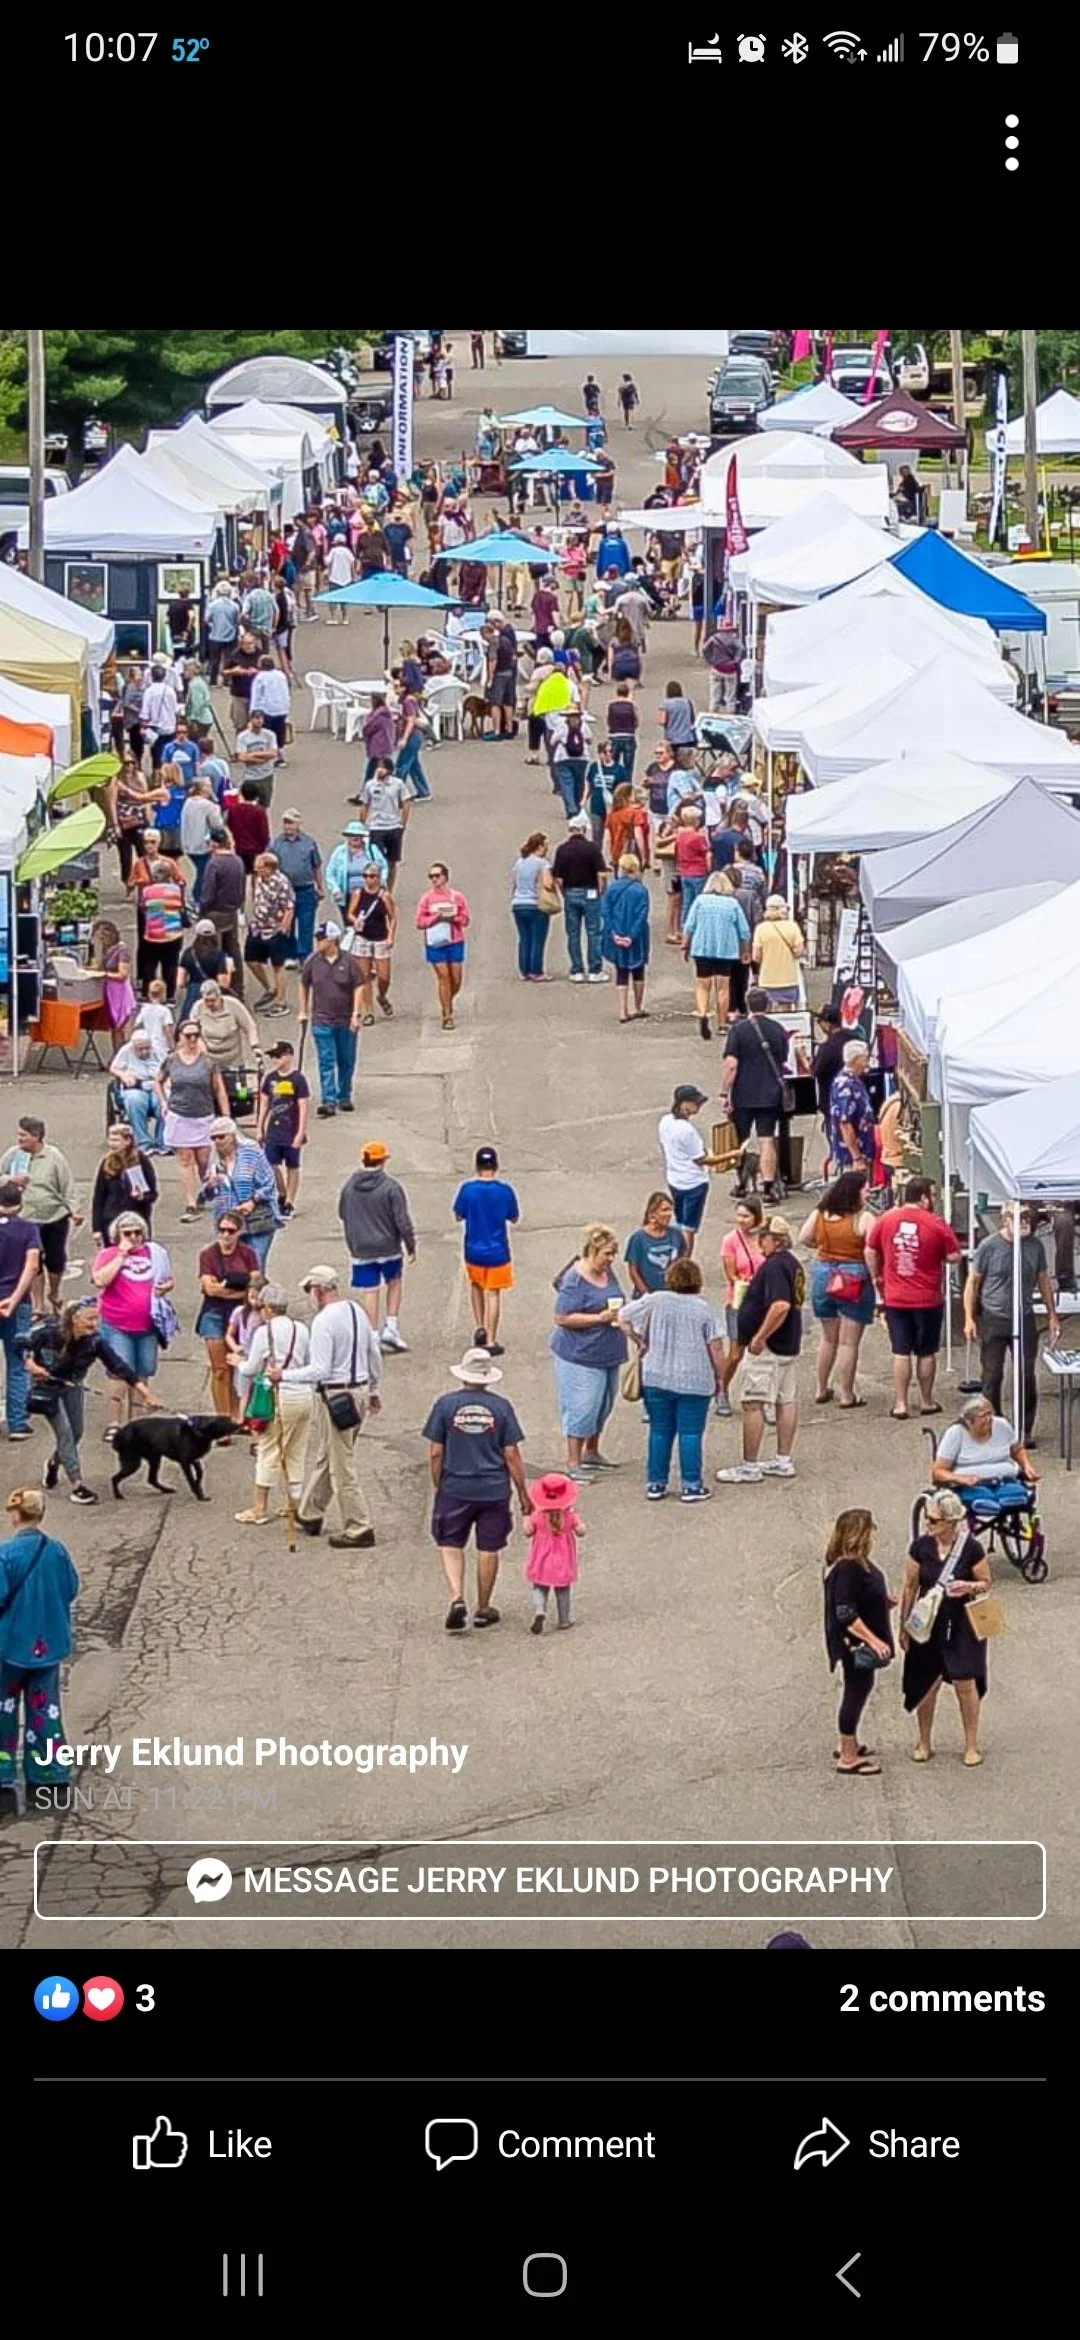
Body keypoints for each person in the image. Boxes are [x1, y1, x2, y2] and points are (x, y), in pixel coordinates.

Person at [268, 1264, 381, 1550]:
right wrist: (374, 1389)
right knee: (329, 1455)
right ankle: (310, 1512)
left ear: (318, 1290)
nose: (309, 1296)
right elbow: (373, 1352)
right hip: (360, 1390)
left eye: (309, 1290)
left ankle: (359, 1525)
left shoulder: (323, 1322)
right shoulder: (356, 1311)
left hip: (337, 1395)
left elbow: (320, 1369)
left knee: (341, 1466)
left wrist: (284, 1375)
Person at [423, 1344, 531, 1633]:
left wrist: (439, 1482)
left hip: (455, 1485)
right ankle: (483, 1607)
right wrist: (523, 1492)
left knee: (450, 1543)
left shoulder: (445, 1405)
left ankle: (457, 1597)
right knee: (489, 1547)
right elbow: (511, 1453)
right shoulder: (501, 1407)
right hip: (493, 1488)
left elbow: (435, 1451)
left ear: (463, 1375)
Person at [19, 1296, 158, 1506]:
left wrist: (145, 1393)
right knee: (65, 1432)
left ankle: (54, 1463)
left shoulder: (95, 1341)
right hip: (47, 1386)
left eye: (96, 1319)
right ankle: (77, 1485)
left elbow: (118, 1366)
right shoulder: (49, 1332)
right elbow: (20, 1341)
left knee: (76, 1432)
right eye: (89, 1319)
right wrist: (29, 1363)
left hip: (73, 1385)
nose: (94, 1324)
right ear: (75, 1319)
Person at [619, 1257, 725, 1502]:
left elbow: (622, 1317)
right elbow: (716, 1348)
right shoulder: (703, 1309)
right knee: (690, 1433)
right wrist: (720, 1378)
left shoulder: (655, 1300)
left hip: (656, 1376)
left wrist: (639, 1341)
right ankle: (691, 1485)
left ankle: (656, 1483)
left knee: (659, 1431)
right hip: (694, 1379)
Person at [901, 1489, 992, 1767]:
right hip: (928, 1624)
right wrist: (904, 1627)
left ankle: (971, 1744)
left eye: (933, 1520)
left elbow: (985, 1583)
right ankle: (923, 1741)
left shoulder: (971, 1548)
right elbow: (909, 1587)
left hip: (961, 1624)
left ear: (951, 1522)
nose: (927, 1524)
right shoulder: (920, 1548)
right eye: (927, 1518)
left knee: (965, 1682)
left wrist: (968, 1586)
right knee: (927, 1684)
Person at [0, 1487, 80, 1791]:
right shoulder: (56, 1550)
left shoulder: (6, 1555)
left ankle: (3, 1768)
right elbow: (71, 1588)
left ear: (15, 1515)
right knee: (46, 1708)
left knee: (4, 1707)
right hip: (49, 1642)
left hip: (10, 1645)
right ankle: (49, 1770)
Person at [865, 1177, 961, 1420]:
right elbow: (954, 1256)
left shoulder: (886, 1219)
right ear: (924, 1197)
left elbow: (870, 1250)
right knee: (926, 1352)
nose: (935, 1200)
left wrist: (877, 1276)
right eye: (933, 1195)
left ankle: (900, 1403)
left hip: (895, 1297)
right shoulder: (936, 1223)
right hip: (928, 1298)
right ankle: (926, 1401)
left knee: (901, 1351)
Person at [717, 1216, 803, 1484]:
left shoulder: (774, 1266)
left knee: (753, 1403)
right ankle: (783, 1459)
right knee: (785, 1400)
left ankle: (750, 1465)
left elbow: (780, 1305)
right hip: (788, 1344)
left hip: (770, 1348)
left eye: (762, 1237)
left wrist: (759, 1337)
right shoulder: (792, 1263)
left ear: (773, 1240)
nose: (758, 1242)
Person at [963, 1203, 1060, 1442]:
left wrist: (1052, 1314)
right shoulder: (989, 1246)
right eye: (1018, 1217)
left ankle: (1025, 1430)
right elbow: (973, 1283)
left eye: (1028, 1217)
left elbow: (1043, 1280)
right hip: (994, 1318)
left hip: (1024, 1316)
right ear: (1004, 1219)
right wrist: (969, 1318)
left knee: (1026, 1374)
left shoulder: (1035, 1246)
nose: (1025, 1221)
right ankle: (994, 1426)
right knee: (992, 1375)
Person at [551, 1225, 627, 1482]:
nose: (611, 1259)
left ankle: (592, 1451)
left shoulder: (607, 1272)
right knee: (583, 1406)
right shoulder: (575, 1279)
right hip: (580, 1354)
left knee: (603, 1405)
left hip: (609, 1351)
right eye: (607, 1254)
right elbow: (562, 1317)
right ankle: (573, 1461)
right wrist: (599, 1318)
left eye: (613, 1254)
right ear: (592, 1251)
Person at [822, 1508, 895, 1778]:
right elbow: (845, 1613)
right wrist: (874, 1641)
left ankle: (848, 1742)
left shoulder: (859, 1563)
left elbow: (860, 1597)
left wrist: (882, 1602)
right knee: (856, 1691)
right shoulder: (847, 1569)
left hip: (859, 1640)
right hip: (854, 1645)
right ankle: (847, 1756)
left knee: (860, 1688)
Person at [232, 1285, 313, 1526]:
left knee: (268, 1450)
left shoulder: (264, 1333)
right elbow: (308, 1362)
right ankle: (294, 1505)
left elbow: (251, 1368)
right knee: (296, 1452)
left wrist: (237, 1362)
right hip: (304, 1395)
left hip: (279, 1396)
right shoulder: (301, 1329)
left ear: (268, 1308)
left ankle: (259, 1508)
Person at [798, 1172, 876, 1409]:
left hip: (823, 1273)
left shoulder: (820, 1213)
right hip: (853, 1276)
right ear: (855, 1192)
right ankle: (846, 1394)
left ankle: (821, 1388)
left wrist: (821, 1246)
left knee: (828, 1337)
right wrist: (877, 1279)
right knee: (849, 1343)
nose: (869, 1193)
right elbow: (872, 1250)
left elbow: (804, 1238)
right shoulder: (864, 1218)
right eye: (865, 1189)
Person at [90, 1211, 173, 1426]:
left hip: (148, 1325)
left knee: (143, 1373)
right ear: (118, 1235)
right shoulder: (108, 1254)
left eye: (138, 1233)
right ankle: (115, 1423)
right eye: (128, 1233)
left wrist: (166, 1287)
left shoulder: (154, 1253)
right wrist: (121, 1255)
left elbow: (168, 1278)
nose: (134, 1237)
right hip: (118, 1325)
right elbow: (100, 1280)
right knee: (119, 1374)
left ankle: (137, 1424)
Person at [339, 1141, 417, 1352]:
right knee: (394, 1281)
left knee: (370, 1290)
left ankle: (372, 1334)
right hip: (388, 1245)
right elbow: (402, 1220)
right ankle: (391, 1327)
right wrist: (410, 1244)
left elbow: (343, 1213)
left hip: (361, 1247)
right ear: (382, 1161)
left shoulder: (349, 1187)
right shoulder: (391, 1187)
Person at [1, 1119, 80, 1317]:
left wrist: (74, 1210)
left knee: (55, 1261)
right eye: (19, 1134)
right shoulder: (13, 1155)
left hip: (53, 1217)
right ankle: (38, 1305)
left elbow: (67, 1186)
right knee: (33, 1262)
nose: (19, 1139)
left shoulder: (54, 1157)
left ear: (36, 1137)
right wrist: (11, 1179)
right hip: (27, 1218)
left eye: (23, 1135)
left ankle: (54, 1292)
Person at [155, 1020, 229, 1221]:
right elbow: (158, 1081)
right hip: (179, 1115)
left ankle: (206, 1188)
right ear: (180, 1037)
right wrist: (163, 1102)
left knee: (203, 1159)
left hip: (203, 1115)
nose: (193, 1039)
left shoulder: (208, 1062)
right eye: (188, 1036)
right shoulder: (172, 1060)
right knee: (185, 1159)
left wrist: (226, 1117)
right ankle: (190, 1203)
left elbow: (219, 1089)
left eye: (196, 1035)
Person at [721, 988, 789, 1203]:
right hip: (770, 1093)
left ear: (748, 1004)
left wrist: (724, 1092)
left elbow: (731, 1065)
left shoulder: (738, 1030)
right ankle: (768, 1187)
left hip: (743, 1093)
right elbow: (782, 1059)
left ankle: (742, 1184)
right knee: (766, 1139)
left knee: (740, 1141)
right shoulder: (778, 1029)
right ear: (767, 1005)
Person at [453, 1146, 520, 1357]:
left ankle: (480, 1327)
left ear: (477, 1166)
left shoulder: (467, 1190)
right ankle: (491, 1340)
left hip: (473, 1249)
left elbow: (458, 1215)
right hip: (497, 1251)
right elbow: (514, 1217)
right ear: (496, 1166)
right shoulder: (505, 1191)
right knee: (493, 1293)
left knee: (476, 1286)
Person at [298, 921, 365, 1118]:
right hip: (322, 1019)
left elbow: (359, 986)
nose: (318, 942)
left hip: (345, 1020)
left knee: (346, 1060)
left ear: (332, 940)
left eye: (322, 938)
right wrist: (303, 1010)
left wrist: (356, 1013)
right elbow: (303, 984)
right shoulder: (313, 961)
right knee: (326, 1060)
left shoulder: (348, 961)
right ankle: (328, 1099)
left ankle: (344, 1095)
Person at [196, 1213, 260, 1418]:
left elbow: (255, 1287)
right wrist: (238, 1288)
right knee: (220, 1369)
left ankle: (238, 1414)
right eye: (221, 1230)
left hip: (241, 1314)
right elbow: (209, 1289)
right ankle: (223, 1417)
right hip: (214, 1311)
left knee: (240, 1366)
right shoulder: (208, 1254)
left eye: (230, 1231)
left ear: (239, 1232)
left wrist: (224, 1288)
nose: (225, 1235)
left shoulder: (248, 1254)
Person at [931, 1394, 1038, 1505]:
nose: (989, 1419)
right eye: (983, 1416)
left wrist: (1026, 1466)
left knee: (1018, 1495)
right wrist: (960, 1479)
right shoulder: (955, 1433)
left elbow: (1017, 1449)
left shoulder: (1002, 1425)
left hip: (1005, 1481)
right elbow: (938, 1471)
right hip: (972, 1486)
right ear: (969, 1421)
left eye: (990, 1414)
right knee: (984, 1501)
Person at [203, 1117, 280, 1271]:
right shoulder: (214, 1160)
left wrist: (253, 1201)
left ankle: (257, 1286)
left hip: (256, 1220)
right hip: (229, 1223)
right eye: (214, 1138)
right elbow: (207, 1196)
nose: (217, 1141)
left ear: (232, 1135)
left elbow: (269, 1183)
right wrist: (210, 1186)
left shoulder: (251, 1152)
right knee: (235, 1270)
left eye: (221, 1136)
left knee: (255, 1266)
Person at [682, 869, 750, 1040]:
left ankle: (703, 1014)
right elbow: (744, 931)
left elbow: (689, 925)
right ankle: (722, 1024)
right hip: (725, 950)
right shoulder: (732, 903)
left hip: (702, 948)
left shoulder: (700, 901)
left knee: (702, 985)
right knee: (723, 988)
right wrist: (745, 950)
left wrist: (685, 945)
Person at [658, 1085, 724, 1257]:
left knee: (679, 1221)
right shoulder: (687, 1131)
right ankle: (684, 1262)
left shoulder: (665, 1122)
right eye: (696, 1103)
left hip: (675, 1179)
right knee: (689, 1227)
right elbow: (701, 1159)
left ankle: (677, 1256)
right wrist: (730, 1155)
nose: (699, 1106)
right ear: (684, 1104)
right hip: (694, 1183)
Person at [717, 1195, 765, 1416]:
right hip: (739, 1300)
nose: (741, 1220)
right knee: (736, 1353)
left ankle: (761, 1397)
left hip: (762, 1301)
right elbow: (730, 1274)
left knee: (762, 1351)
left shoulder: (764, 1238)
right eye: (739, 1215)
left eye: (746, 1216)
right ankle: (722, 1389)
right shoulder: (730, 1240)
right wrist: (743, 1281)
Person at [0, 1185, 42, 1441]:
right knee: (18, 1363)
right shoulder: (28, 1230)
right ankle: (17, 1422)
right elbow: (32, 1266)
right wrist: (14, 1299)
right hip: (16, 1303)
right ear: (20, 1203)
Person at [550, 812, 608, 983]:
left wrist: (564, 892)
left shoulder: (562, 850)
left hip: (571, 892)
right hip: (590, 892)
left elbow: (558, 878)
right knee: (593, 932)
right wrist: (600, 891)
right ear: (584, 829)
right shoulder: (592, 849)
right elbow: (601, 874)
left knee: (573, 933)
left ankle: (577, 970)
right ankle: (594, 969)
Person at [524, 1473, 584, 1634]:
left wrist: (526, 1518)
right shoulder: (569, 1516)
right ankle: (564, 1619)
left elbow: (528, 1531)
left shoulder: (538, 1516)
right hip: (563, 1559)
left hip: (541, 1559)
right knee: (563, 1589)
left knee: (539, 1586)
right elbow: (581, 1531)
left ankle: (539, 1610)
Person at [256, 1040, 309, 1219]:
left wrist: (300, 1132)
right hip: (274, 1130)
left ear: (288, 1056)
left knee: (292, 1165)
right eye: (273, 1057)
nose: (275, 1060)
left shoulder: (298, 1080)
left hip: (291, 1128)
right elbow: (264, 1105)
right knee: (271, 1164)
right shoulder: (270, 1079)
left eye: (278, 1056)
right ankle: (282, 1192)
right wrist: (260, 1127)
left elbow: (303, 1107)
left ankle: (290, 1202)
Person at [415, 862, 470, 1032]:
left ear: (445, 877)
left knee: (456, 979)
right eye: (431, 876)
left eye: (437, 876)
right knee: (443, 977)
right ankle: (447, 1014)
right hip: (435, 943)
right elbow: (419, 922)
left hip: (455, 941)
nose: (434, 879)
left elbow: (465, 919)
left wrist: (453, 918)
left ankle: (447, 1000)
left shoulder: (456, 897)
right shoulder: (427, 899)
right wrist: (435, 917)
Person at [600, 852, 651, 1023]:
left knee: (621, 971)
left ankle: (623, 1011)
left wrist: (613, 933)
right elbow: (642, 915)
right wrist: (631, 936)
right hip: (637, 936)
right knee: (638, 970)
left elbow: (606, 912)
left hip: (617, 932)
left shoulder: (612, 888)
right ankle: (638, 1006)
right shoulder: (641, 890)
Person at [244, 852, 295, 1017]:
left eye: (260, 868)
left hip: (275, 929)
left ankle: (281, 1002)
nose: (257, 871)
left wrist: (283, 930)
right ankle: (270, 989)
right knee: (250, 960)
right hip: (258, 927)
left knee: (278, 966)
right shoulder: (259, 879)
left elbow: (289, 907)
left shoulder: (282, 882)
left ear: (270, 868)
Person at [91, 1124, 157, 1248]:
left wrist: (141, 1197)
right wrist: (97, 1228)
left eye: (116, 1140)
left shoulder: (142, 1161)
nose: (112, 1144)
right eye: (110, 1140)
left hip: (135, 1221)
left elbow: (153, 1194)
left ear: (128, 1141)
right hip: (111, 1221)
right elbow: (99, 1197)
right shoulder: (106, 1162)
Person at [271, 811, 324, 964]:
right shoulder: (277, 843)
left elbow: (316, 866)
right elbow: (272, 867)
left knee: (306, 923)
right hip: (285, 891)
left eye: (291, 823)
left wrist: (320, 887)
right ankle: (290, 955)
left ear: (298, 824)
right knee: (287, 922)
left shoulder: (309, 843)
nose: (288, 826)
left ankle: (305, 955)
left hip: (305, 889)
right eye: (286, 823)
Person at [348, 860, 397, 1022]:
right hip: (363, 937)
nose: (368, 879)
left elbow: (392, 917)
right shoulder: (358, 893)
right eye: (366, 876)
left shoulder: (384, 896)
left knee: (384, 977)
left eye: (372, 876)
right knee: (365, 976)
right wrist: (355, 920)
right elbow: (350, 913)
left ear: (378, 878)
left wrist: (390, 936)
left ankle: (382, 996)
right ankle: (369, 1011)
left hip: (380, 937)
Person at [199, 833, 248, 996]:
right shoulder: (238, 861)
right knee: (233, 949)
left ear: (214, 845)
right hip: (231, 912)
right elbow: (242, 887)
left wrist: (202, 911)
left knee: (214, 952)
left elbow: (208, 893)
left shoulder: (214, 864)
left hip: (215, 912)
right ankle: (237, 987)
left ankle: (217, 988)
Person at [358, 756, 414, 892]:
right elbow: (364, 804)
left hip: (393, 826)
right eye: (378, 767)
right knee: (376, 861)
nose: (379, 770)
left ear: (389, 770)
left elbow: (406, 802)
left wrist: (403, 823)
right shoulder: (370, 785)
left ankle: (389, 890)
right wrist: (361, 825)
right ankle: (376, 888)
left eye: (383, 767)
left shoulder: (398, 784)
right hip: (376, 827)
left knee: (392, 862)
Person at [110, 1030, 165, 1153]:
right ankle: (143, 1142)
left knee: (165, 1103)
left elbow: (168, 1067)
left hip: (156, 1084)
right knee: (135, 1100)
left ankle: (162, 1143)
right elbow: (114, 1068)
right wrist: (124, 1075)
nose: (144, 1052)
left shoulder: (158, 1050)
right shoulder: (126, 1050)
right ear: (134, 1047)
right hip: (135, 1085)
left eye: (147, 1048)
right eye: (140, 1049)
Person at [510, 830, 555, 983]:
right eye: (546, 846)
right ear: (540, 847)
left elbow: (514, 884)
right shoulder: (542, 863)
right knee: (538, 939)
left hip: (518, 903)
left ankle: (524, 970)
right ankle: (536, 970)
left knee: (524, 938)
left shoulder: (519, 862)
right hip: (535, 904)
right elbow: (548, 884)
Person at [624, 1192, 688, 1297]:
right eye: (664, 1210)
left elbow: (683, 1260)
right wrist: (646, 1295)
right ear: (652, 1214)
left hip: (672, 1294)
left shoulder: (676, 1234)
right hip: (647, 1296)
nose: (669, 1214)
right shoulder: (638, 1238)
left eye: (670, 1210)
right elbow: (633, 1270)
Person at [190, 980, 259, 1077]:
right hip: (209, 1059)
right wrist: (200, 1046)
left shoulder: (234, 1005)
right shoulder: (198, 1007)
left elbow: (250, 1026)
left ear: (220, 997)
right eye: (206, 1000)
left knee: (239, 1086)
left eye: (213, 1000)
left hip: (233, 1060)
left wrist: (255, 1046)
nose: (209, 1004)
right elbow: (193, 1031)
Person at [829, 1039, 875, 1175]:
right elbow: (845, 1123)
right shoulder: (845, 1085)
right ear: (856, 1060)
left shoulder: (854, 1080)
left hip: (863, 1151)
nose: (867, 1063)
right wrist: (857, 1157)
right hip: (853, 1157)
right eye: (865, 1058)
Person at [812, 1005, 848, 1175]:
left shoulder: (827, 1048)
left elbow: (815, 1071)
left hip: (831, 1101)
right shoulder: (853, 1038)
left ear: (827, 1024)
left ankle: (840, 1169)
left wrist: (803, 1058)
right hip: (852, 1099)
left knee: (836, 1138)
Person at [751, 896, 805, 1009]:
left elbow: (756, 956)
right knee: (785, 1012)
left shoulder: (761, 929)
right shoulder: (792, 927)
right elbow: (799, 952)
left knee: (767, 1010)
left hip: (767, 980)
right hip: (789, 979)